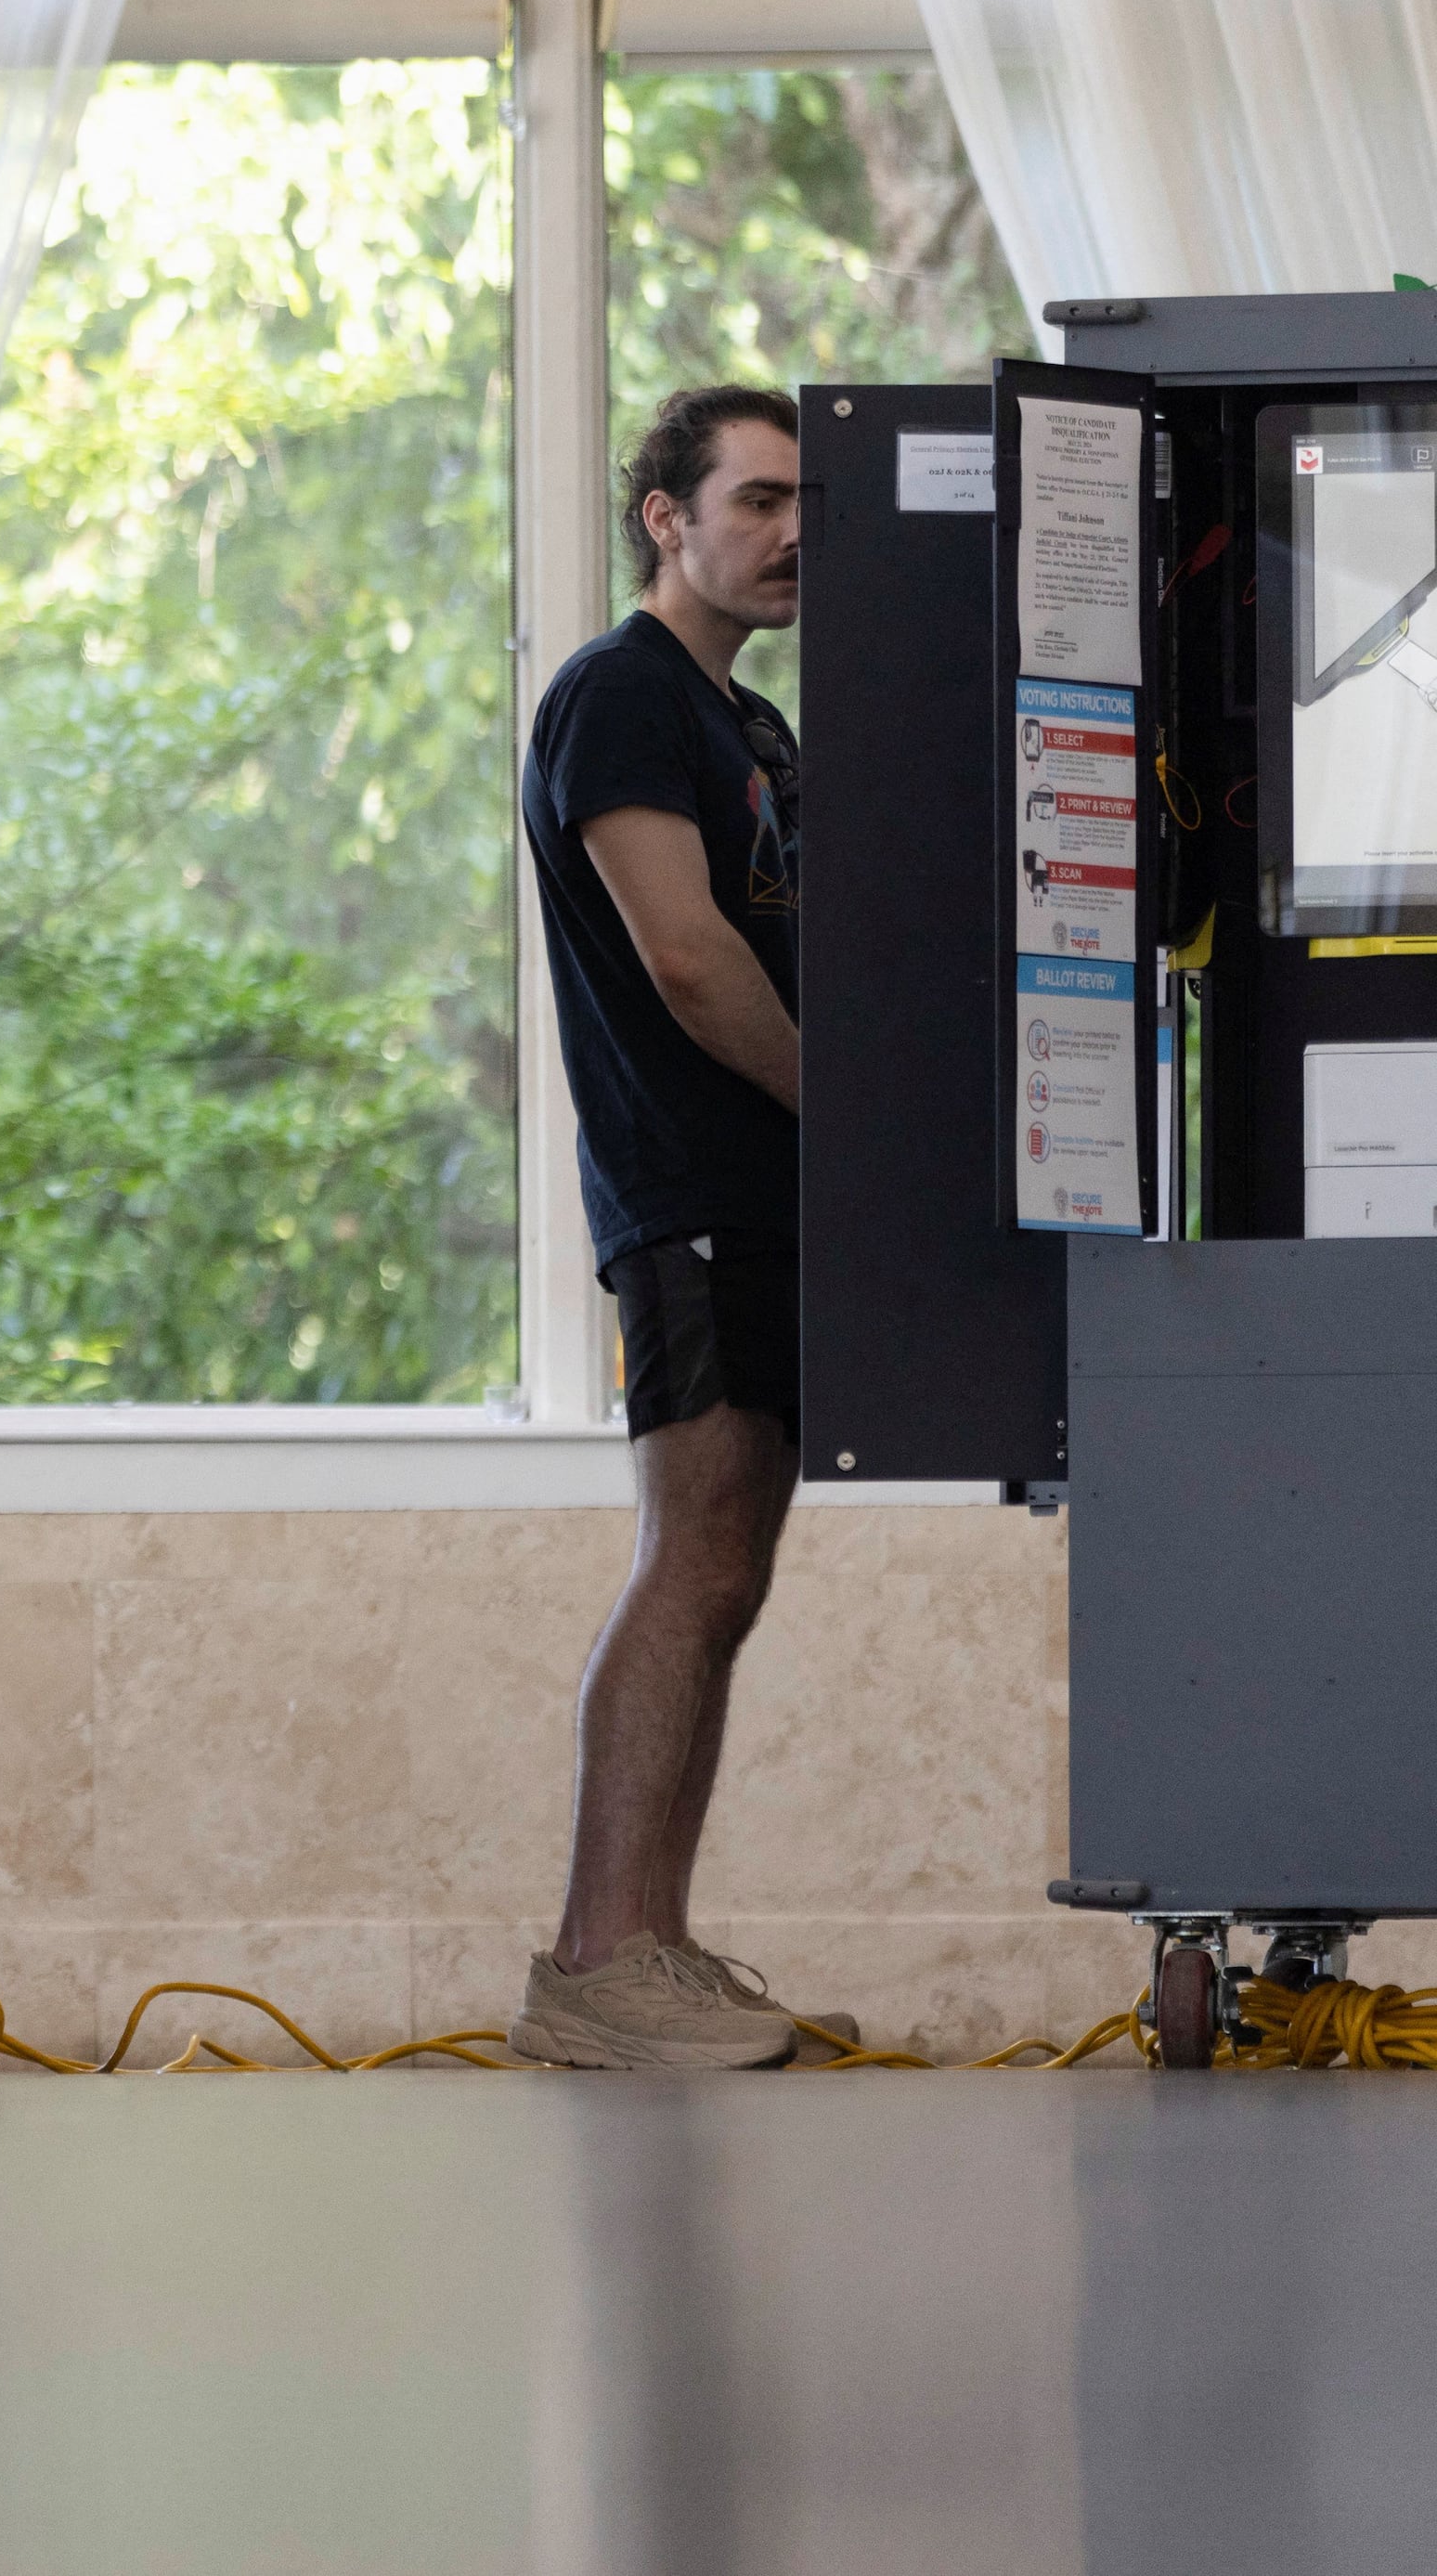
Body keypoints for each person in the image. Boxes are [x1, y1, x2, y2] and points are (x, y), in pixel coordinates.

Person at [508, 383, 859, 2069]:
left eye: (810, 503)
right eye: (761, 498)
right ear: (666, 515)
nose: (795, 532)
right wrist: (850, 1124)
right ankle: (593, 1960)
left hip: (769, 1188)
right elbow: (688, 957)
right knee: (695, 1554)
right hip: (694, 1193)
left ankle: (655, 1939)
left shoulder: (756, 729)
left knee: (732, 1566)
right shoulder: (621, 699)